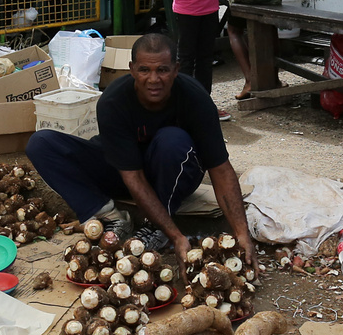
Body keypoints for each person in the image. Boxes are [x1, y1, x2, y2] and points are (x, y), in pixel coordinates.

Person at [26, 32, 259, 277]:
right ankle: (110, 215)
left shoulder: (195, 99)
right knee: (41, 143)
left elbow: (220, 169)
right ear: (132, 70)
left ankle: (155, 226)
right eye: (145, 70)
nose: (153, 79)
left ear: (176, 69)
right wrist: (177, 236)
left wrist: (241, 233)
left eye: (162, 70)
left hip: (172, 174)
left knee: (171, 140)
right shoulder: (113, 101)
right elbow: (133, 177)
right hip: (126, 171)